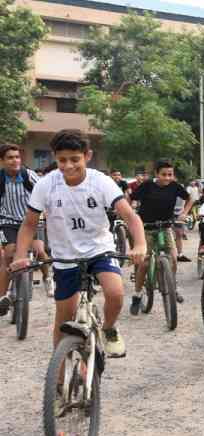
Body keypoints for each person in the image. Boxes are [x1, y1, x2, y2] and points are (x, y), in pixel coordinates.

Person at [10, 129, 146, 357]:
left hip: (99, 249)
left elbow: (130, 217)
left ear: (88, 156)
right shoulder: (46, 184)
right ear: (55, 157)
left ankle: (109, 328)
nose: (69, 166)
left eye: (75, 159)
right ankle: (59, 383)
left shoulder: (101, 181)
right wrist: (20, 255)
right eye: (62, 160)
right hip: (65, 255)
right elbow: (29, 225)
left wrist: (140, 244)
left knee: (115, 293)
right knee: (63, 319)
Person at [129, 160, 193, 313]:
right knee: (144, 264)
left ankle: (172, 286)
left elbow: (190, 198)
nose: (167, 178)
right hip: (146, 229)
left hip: (165, 227)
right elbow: (131, 198)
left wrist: (184, 212)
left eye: (170, 174)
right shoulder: (147, 185)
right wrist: (131, 213)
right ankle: (137, 295)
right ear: (156, 174)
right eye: (163, 174)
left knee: (173, 258)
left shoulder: (175, 186)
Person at [0, 143, 55, 306]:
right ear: (2, 160)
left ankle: (47, 278)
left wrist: (47, 212)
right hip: (8, 221)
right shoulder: (1, 178)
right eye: (10, 158)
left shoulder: (29, 176)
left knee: (39, 251)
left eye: (17, 157)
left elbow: (47, 194)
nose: (14, 160)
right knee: (9, 254)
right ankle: (4, 297)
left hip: (32, 220)